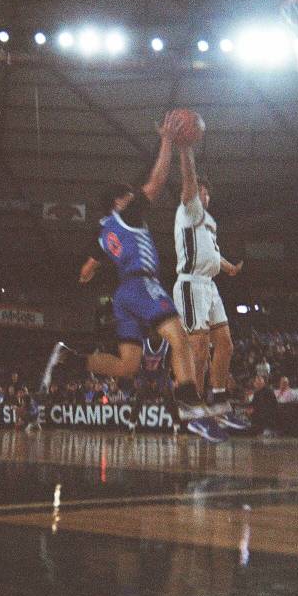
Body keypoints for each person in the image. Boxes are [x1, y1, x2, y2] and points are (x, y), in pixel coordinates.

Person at [40, 112, 226, 442]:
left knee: (127, 366)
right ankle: (190, 408)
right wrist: (168, 141)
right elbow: (155, 183)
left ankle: (71, 359)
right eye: (128, 195)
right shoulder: (125, 215)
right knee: (179, 338)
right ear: (119, 201)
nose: (133, 197)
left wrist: (92, 270)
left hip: (122, 295)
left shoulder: (102, 233)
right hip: (142, 283)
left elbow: (86, 270)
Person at [171, 154, 247, 431]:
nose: (203, 195)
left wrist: (229, 268)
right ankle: (193, 408)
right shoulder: (188, 211)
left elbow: (213, 253)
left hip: (210, 285)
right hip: (191, 283)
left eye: (207, 193)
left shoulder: (209, 222)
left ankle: (217, 400)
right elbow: (189, 178)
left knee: (225, 343)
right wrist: (185, 151)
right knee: (199, 346)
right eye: (199, 191)